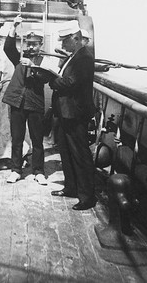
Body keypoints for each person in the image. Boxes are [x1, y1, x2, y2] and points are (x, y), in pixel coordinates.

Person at [49, 20, 96, 210]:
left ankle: (87, 197)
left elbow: (71, 82)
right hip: (65, 113)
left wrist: (53, 80)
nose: (62, 45)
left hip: (76, 114)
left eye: (64, 41)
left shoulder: (84, 57)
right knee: (66, 152)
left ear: (75, 39)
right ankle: (71, 187)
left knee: (80, 155)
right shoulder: (74, 55)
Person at [3, 15, 47, 185]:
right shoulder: (19, 58)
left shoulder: (45, 61)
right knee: (17, 139)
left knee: (37, 140)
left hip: (35, 105)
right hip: (17, 103)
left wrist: (33, 67)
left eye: (34, 44)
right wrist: (13, 26)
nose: (30, 46)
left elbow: (45, 78)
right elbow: (8, 47)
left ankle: (39, 171)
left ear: (40, 45)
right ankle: (16, 170)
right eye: (28, 43)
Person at [0, 23, 31, 169]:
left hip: (6, 89)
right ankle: (22, 154)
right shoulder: (20, 52)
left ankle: (3, 157)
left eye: (0, 37)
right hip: (20, 90)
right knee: (19, 124)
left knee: (3, 123)